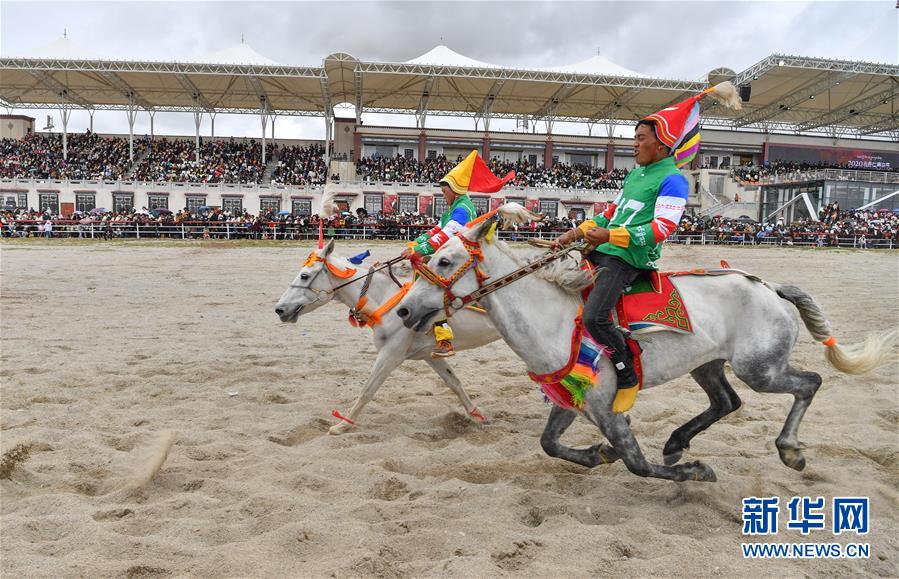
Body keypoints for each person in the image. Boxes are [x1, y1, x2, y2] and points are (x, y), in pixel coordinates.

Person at [552, 82, 742, 413]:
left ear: (661, 144)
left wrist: (610, 237)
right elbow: (611, 213)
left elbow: (663, 228)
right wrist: (575, 232)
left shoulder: (673, 179)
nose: (635, 144)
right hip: (604, 251)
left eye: (641, 138)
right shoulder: (635, 175)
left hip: (630, 259)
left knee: (595, 318)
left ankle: (626, 375)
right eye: (635, 138)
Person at [401, 150, 514, 357]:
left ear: (455, 190)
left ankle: (444, 339)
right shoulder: (453, 209)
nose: (443, 196)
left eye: (444, 192)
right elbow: (435, 231)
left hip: (463, 259)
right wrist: (415, 244)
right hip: (454, 255)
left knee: (434, 286)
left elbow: (446, 235)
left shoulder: (462, 209)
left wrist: (418, 250)